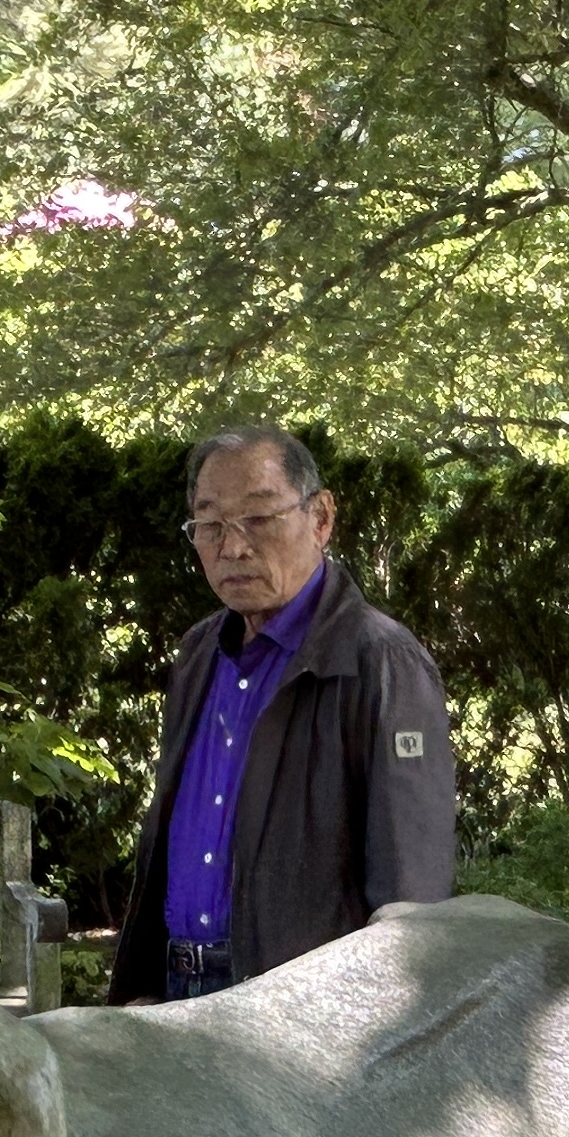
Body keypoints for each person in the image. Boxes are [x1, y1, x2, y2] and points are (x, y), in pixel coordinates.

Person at [118, 424, 455, 1002]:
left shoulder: (379, 661)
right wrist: (144, 984)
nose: (232, 548)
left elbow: (411, 891)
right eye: (210, 525)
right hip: (178, 993)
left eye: (258, 518)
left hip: (302, 1009)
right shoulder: (199, 653)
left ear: (320, 518)